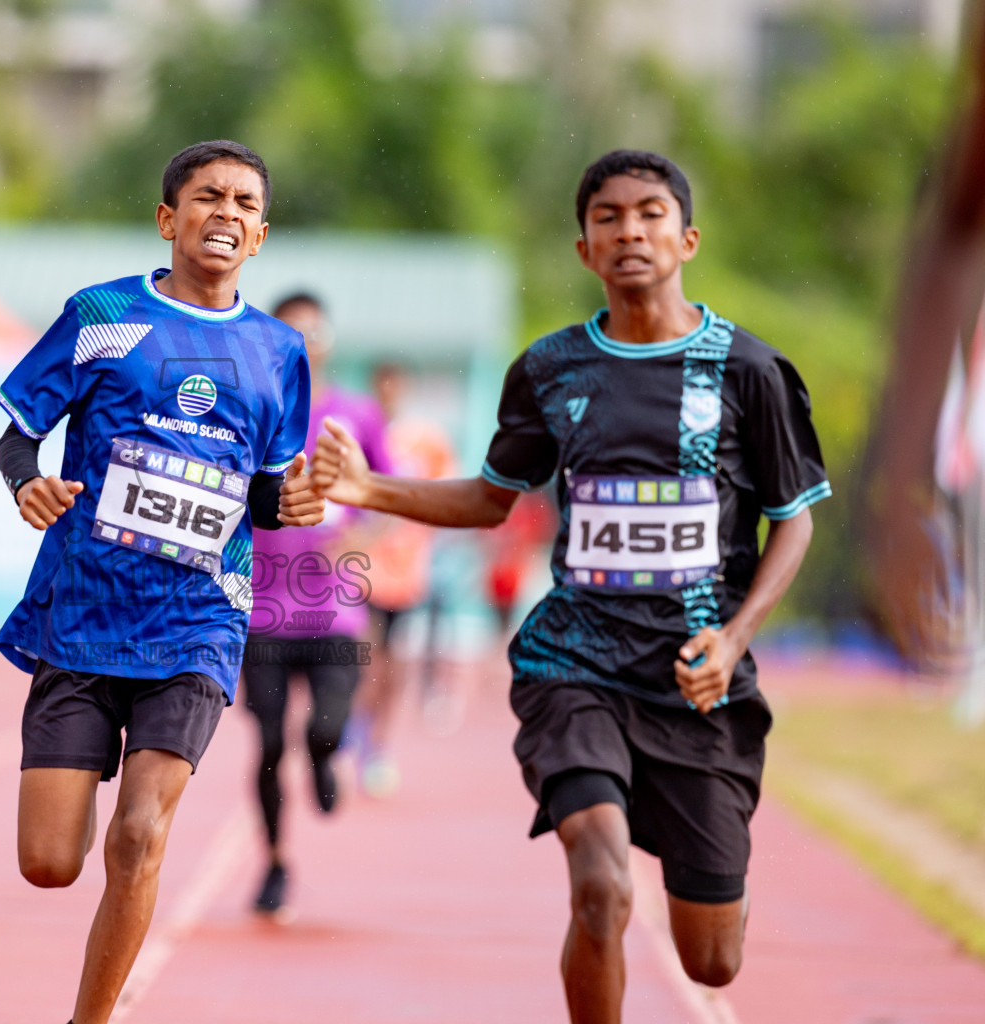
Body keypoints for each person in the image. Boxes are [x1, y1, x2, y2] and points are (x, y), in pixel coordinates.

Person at [309, 149, 830, 1024]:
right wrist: (367, 488)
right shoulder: (551, 370)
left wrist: (734, 638)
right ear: (585, 249)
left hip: (698, 682)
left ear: (687, 236)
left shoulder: (750, 371)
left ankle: (700, 845)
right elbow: (488, 496)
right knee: (600, 885)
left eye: (651, 213)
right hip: (575, 666)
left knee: (713, 962)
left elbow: (796, 517)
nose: (630, 230)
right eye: (609, 217)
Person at [0, 140, 325, 1024]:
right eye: (207, 196)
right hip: (86, 613)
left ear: (260, 235)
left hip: (200, 622)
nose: (227, 212)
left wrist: (299, 499)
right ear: (168, 219)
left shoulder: (278, 350)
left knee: (139, 833)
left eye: (245, 203)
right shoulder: (102, 313)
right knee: (50, 860)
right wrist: (27, 480)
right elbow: (18, 431)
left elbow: (263, 497)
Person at [241, 294, 390, 917]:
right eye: (290, 327)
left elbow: (389, 488)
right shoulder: (252, 409)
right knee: (270, 746)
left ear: (329, 339)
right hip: (261, 613)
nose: (304, 337)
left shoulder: (355, 414)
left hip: (334, 610)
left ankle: (328, 760)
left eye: (314, 326)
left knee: (324, 728)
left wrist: (365, 533)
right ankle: (275, 863)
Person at [352, 361, 457, 794]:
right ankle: (352, 726)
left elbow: (448, 494)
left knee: (391, 665)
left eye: (397, 385)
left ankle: (377, 743)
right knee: (364, 653)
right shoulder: (357, 433)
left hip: (407, 571)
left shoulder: (425, 441)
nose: (389, 391)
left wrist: (434, 546)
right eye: (383, 384)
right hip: (360, 567)